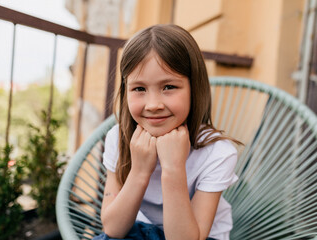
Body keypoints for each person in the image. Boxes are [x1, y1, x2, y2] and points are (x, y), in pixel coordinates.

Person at [93, 24, 241, 240]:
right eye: (139, 89)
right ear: (126, 91)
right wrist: (140, 171)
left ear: (194, 88)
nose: (153, 104)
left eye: (169, 87)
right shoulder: (119, 138)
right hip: (139, 231)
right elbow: (113, 229)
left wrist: (173, 168)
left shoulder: (217, 152)